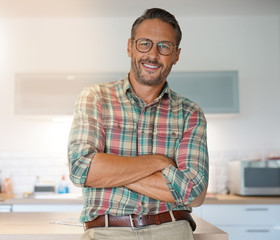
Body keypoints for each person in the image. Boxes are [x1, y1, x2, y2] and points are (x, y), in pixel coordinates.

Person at [68, 8, 209, 240]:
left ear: (176, 55)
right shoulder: (95, 97)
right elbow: (81, 168)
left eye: (165, 46)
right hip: (106, 231)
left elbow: (192, 191)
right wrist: (159, 162)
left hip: (172, 230)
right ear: (130, 47)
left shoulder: (190, 113)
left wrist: (110, 173)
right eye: (144, 43)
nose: (153, 55)